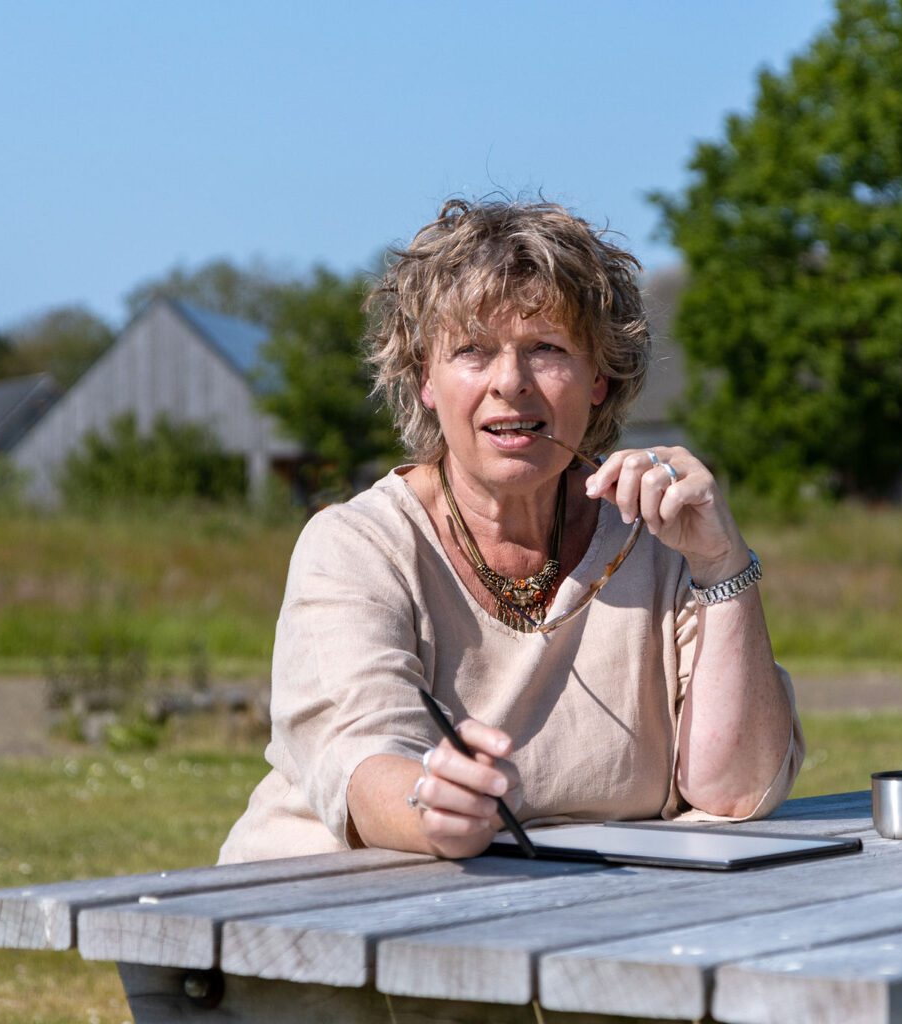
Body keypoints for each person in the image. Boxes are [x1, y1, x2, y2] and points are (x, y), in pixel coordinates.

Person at [218, 197, 803, 863]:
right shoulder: (357, 545)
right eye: (472, 350)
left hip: (580, 927)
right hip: (316, 926)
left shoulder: (658, 540)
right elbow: (360, 753)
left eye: (546, 349)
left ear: (600, 381)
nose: (511, 383)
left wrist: (722, 566)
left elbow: (734, 793)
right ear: (425, 381)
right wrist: (432, 810)